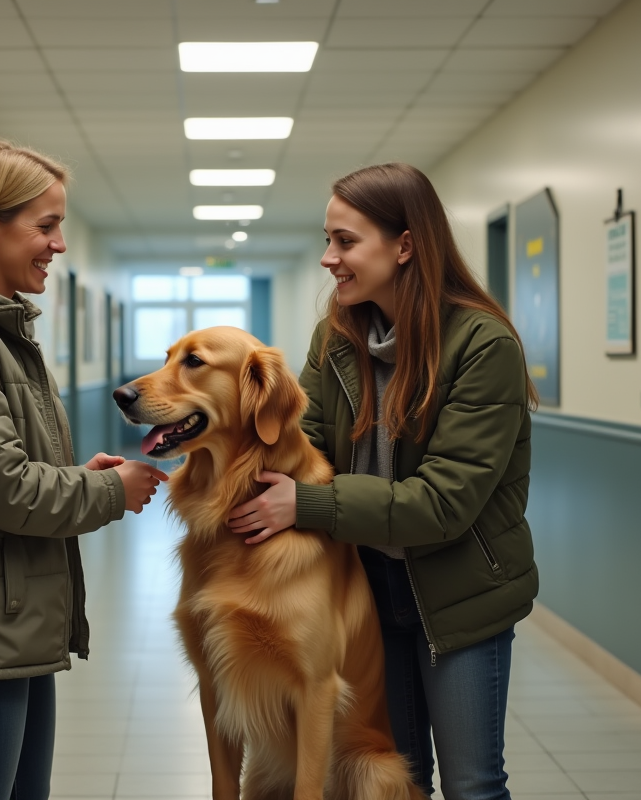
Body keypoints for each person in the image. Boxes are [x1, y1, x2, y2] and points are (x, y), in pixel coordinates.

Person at [227, 162, 538, 800]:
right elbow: (301, 444)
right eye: (327, 240)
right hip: (365, 588)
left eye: (345, 241)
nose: (327, 258)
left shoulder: (484, 346)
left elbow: (445, 502)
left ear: (404, 246)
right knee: (398, 778)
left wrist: (307, 503)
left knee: (474, 784)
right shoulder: (336, 338)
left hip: (457, 594)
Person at [0, 139, 168, 800]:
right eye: (45, 226)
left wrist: (78, 473)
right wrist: (105, 489)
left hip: (12, 622)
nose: (59, 245)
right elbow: (3, 488)